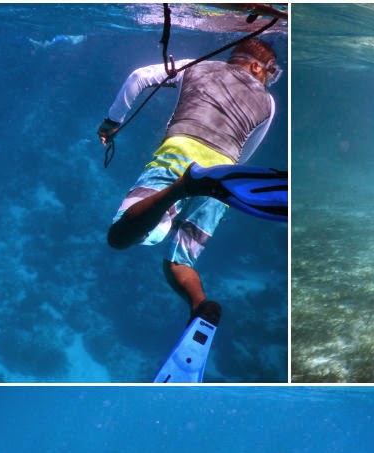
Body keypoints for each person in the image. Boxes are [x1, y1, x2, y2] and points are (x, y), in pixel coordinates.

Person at [97, 38, 282, 326]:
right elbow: (245, 153)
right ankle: (200, 304)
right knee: (180, 261)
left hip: (180, 156)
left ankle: (180, 188)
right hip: (222, 176)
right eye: (271, 73)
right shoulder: (268, 104)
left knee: (120, 238)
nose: (269, 80)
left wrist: (113, 120)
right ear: (257, 66)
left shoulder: (195, 67)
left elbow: (138, 77)